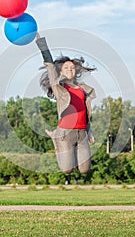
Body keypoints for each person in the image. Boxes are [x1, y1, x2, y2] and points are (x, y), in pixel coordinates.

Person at [36, 33, 96, 184]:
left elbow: (86, 113)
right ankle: (55, 137)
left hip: (81, 133)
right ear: (61, 72)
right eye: (66, 68)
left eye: (72, 67)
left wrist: (89, 131)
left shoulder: (83, 89)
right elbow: (49, 64)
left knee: (84, 169)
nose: (70, 69)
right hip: (64, 133)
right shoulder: (59, 87)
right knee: (66, 169)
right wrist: (41, 44)